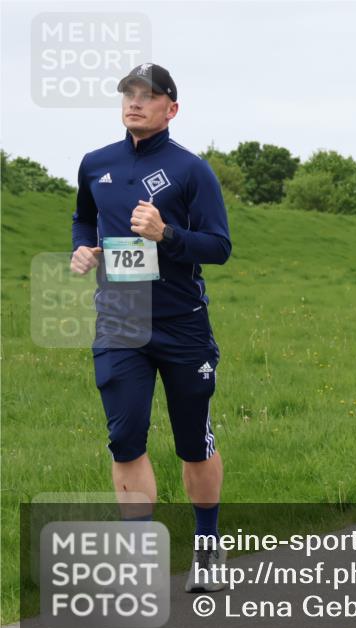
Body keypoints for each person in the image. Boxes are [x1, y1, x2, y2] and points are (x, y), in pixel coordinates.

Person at [70, 63, 232, 591]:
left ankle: (207, 547)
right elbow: (82, 216)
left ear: (171, 108)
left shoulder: (192, 171)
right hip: (119, 322)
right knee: (125, 439)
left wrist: (167, 234)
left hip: (182, 325)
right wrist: (82, 247)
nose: (135, 102)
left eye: (148, 95)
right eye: (128, 94)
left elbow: (220, 246)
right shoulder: (96, 164)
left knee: (194, 442)